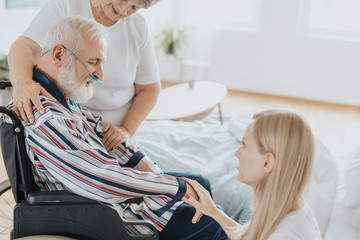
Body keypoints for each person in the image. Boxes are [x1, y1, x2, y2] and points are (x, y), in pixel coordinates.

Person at [5, 16, 225, 239]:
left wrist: (145, 164)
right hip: (103, 211)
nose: (100, 75)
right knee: (213, 221)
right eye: (93, 62)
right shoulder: (45, 115)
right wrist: (173, 187)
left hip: (110, 193)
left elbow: (101, 133)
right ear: (59, 54)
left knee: (199, 183)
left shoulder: (60, 97)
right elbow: (99, 180)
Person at [8, 0, 162, 151]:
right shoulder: (65, 5)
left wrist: (126, 130)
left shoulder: (137, 26)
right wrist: (24, 84)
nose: (124, 10)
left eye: (134, 7)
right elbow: (24, 48)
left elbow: (149, 89)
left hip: (118, 141)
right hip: (74, 134)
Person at [183, 109, 323, 240]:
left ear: (267, 162)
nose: (237, 152)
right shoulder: (285, 206)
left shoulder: (286, 234)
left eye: (244, 145)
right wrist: (213, 211)